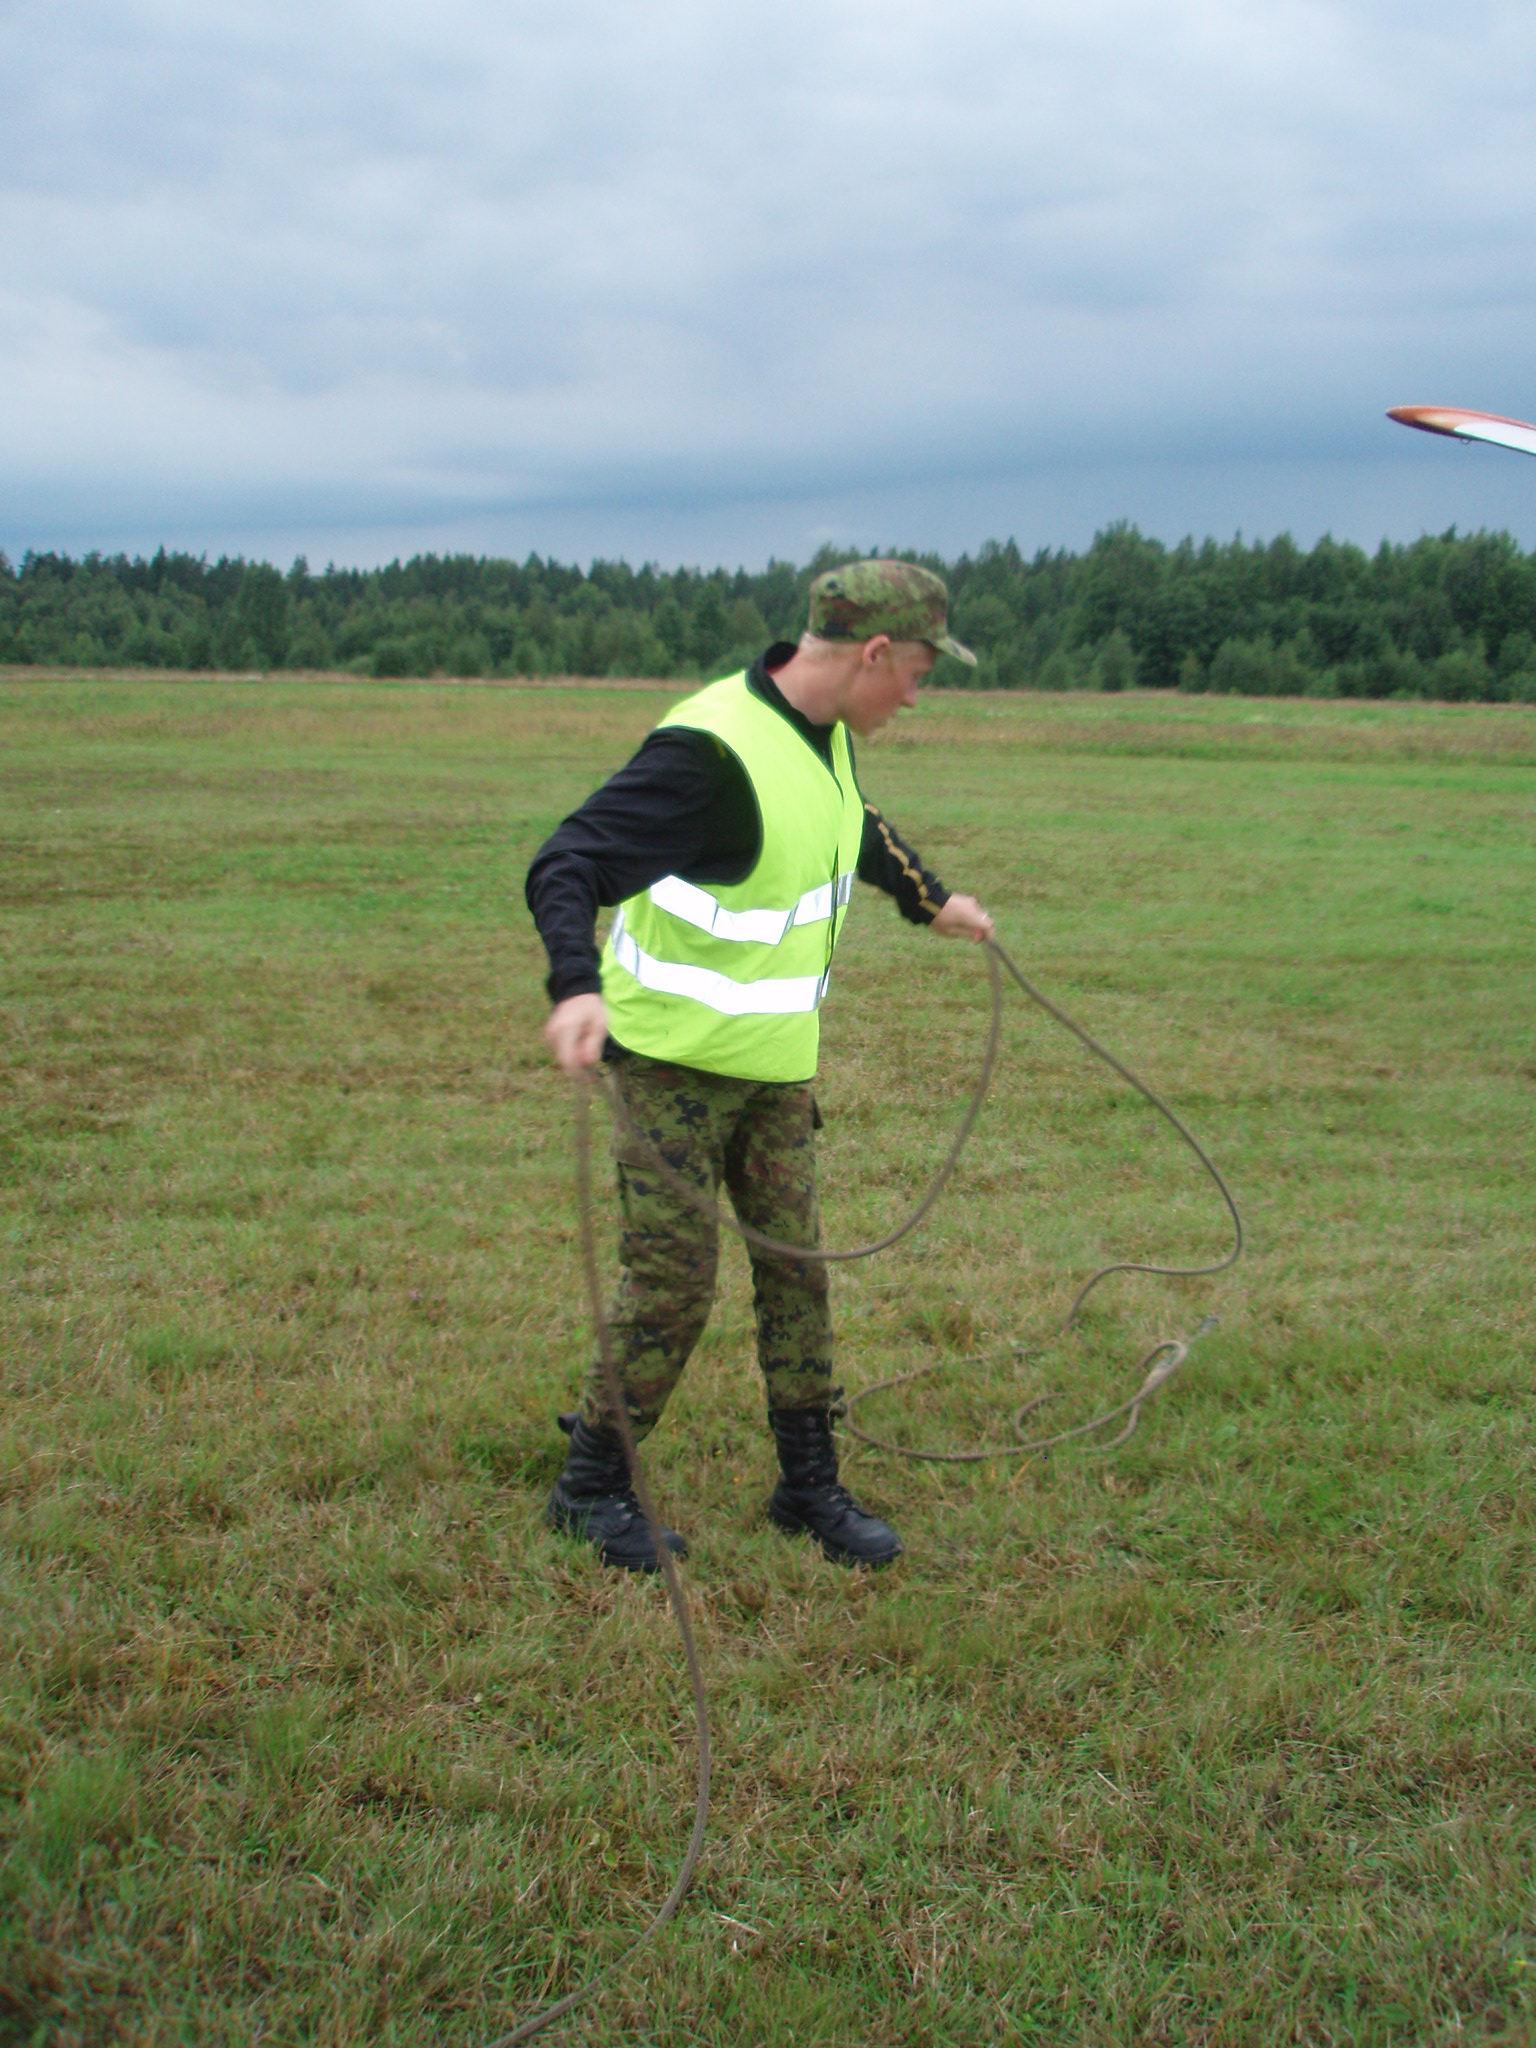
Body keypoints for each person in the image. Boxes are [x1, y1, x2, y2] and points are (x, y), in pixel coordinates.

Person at [526, 560, 995, 1572]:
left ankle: (807, 1485)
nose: (919, 692)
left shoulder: (823, 735)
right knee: (673, 1282)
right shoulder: (710, 750)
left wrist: (930, 898)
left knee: (797, 1272)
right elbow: (568, 859)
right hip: (673, 1069)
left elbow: (848, 827)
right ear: (873, 653)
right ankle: (592, 1486)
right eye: (917, 670)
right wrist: (575, 982)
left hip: (776, 1070)